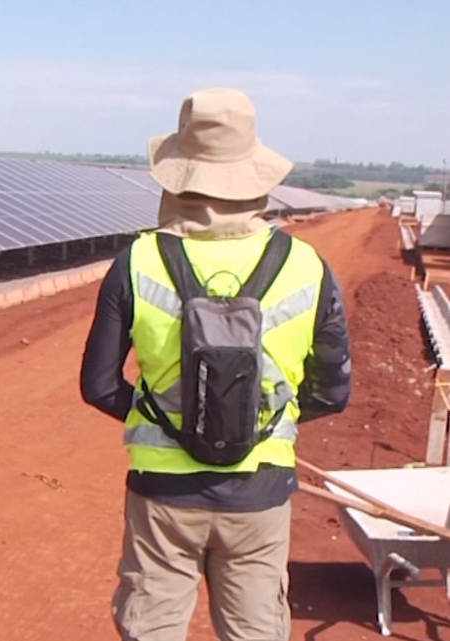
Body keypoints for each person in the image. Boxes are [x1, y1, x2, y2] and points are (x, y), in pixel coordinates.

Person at [80, 87, 352, 641]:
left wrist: (164, 421)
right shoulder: (307, 265)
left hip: (164, 496)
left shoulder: (137, 261)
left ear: (177, 174)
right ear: (256, 176)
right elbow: (334, 392)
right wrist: (265, 425)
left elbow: (97, 384)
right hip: (261, 493)